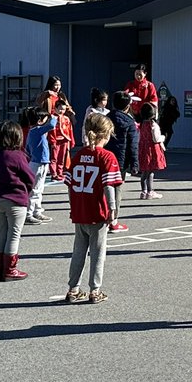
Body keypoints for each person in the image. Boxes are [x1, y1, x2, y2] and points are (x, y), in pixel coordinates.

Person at [64, 112, 123, 304]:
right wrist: (113, 210)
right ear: (105, 135)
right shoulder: (107, 156)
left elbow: (70, 185)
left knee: (78, 251)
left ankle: (73, 288)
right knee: (98, 253)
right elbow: (109, 186)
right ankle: (95, 290)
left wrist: (73, 206)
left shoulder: (79, 155)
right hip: (98, 211)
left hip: (80, 210)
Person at [0, 120, 35, 281]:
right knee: (14, 234)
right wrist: (26, 190)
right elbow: (29, 178)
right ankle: (10, 269)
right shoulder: (18, 155)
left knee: (1, 233)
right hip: (16, 199)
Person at [105, 91, 139, 233]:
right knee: (117, 189)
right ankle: (113, 220)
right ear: (128, 105)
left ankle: (102, 218)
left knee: (103, 187)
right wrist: (135, 164)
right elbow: (133, 144)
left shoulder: (106, 118)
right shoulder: (129, 122)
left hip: (105, 157)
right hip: (121, 159)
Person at [137, 101, 168, 199]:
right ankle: (150, 191)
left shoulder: (142, 124)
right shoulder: (153, 125)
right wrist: (163, 137)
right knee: (150, 171)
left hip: (143, 149)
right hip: (152, 149)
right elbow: (156, 138)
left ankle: (143, 191)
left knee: (144, 171)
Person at [48, 96, 75, 182]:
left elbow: (69, 130)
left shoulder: (66, 118)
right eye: (59, 109)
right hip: (56, 140)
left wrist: (71, 140)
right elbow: (51, 131)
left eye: (63, 109)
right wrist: (52, 141)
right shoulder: (52, 118)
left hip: (64, 140)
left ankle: (60, 173)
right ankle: (53, 174)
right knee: (54, 158)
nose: (61, 111)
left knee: (61, 157)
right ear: (55, 108)